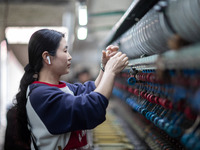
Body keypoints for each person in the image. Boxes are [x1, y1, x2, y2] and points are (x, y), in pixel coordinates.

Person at [15, 29, 129, 150]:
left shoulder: (62, 87)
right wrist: (110, 72)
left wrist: (105, 67)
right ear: (47, 57)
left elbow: (91, 91)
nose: (69, 57)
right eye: (65, 51)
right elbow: (90, 108)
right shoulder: (40, 95)